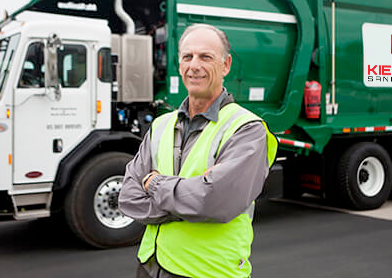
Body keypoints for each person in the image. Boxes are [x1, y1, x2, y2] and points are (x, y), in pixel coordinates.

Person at [118, 23, 277, 278]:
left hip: (209, 271)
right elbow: (128, 197)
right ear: (179, 65)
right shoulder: (161, 124)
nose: (194, 65)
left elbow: (214, 202)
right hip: (150, 267)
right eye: (187, 57)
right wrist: (191, 197)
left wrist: (155, 184)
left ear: (225, 65)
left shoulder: (246, 129)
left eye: (206, 57)